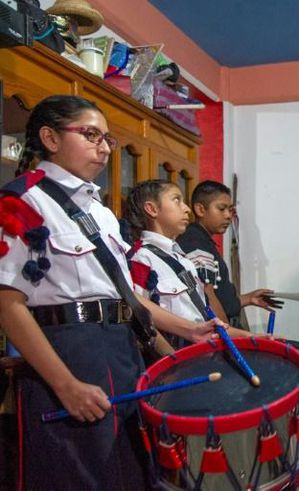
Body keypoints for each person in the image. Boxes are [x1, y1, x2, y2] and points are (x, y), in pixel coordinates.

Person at [0, 95, 221, 489]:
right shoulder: (22, 200)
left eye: (107, 139)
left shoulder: (101, 212)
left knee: (133, 470)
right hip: (69, 353)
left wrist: (189, 331)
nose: (103, 147)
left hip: (121, 349)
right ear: (50, 137)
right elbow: (8, 304)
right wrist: (66, 385)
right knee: (80, 473)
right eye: (89, 135)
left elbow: (125, 296)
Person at [126, 179, 254, 348]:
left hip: (200, 351)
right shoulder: (141, 258)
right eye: (176, 200)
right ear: (152, 209)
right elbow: (139, 320)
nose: (186, 209)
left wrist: (252, 337)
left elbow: (205, 319)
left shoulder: (183, 260)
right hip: (174, 359)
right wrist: (171, 357)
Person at [176, 180, 280, 329]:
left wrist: (249, 299)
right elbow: (207, 294)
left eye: (230, 210)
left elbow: (220, 298)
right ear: (200, 209)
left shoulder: (203, 240)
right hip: (217, 332)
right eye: (221, 209)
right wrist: (228, 336)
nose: (228, 216)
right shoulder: (195, 242)